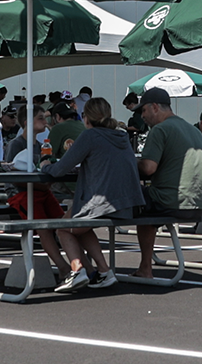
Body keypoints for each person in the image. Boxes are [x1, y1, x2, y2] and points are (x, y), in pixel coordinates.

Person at [40, 97, 142, 292]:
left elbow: (60, 169)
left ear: (86, 118)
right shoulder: (121, 136)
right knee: (81, 226)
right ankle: (104, 271)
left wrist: (45, 165)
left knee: (63, 227)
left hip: (102, 201)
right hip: (128, 203)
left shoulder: (90, 136)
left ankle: (76, 271)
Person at [133, 88, 202, 274]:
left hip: (171, 200)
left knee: (132, 197)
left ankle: (143, 266)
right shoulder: (193, 130)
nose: (142, 116)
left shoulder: (160, 130)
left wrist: (128, 161)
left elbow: (148, 168)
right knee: (145, 200)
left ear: (154, 107)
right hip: (200, 203)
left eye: (143, 110)